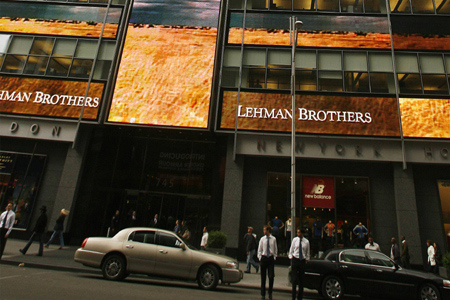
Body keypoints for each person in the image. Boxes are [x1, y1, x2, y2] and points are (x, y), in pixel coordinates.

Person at [289, 229, 310, 300]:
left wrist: (307, 259)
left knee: (301, 280)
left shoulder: (306, 242)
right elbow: (291, 250)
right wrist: (291, 257)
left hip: (302, 261)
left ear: (302, 233)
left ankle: (299, 297)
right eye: (297, 232)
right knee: (294, 280)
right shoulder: (295, 240)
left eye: (299, 232)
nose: (298, 234)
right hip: (295, 259)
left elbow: (307, 252)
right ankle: (293, 297)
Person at [258, 225, 277, 300]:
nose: (264, 231)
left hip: (270, 259)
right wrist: (260, 257)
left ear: (268, 230)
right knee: (263, 277)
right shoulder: (262, 239)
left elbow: (275, 248)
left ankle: (270, 292)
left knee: (271, 276)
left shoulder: (273, 239)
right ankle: (263, 294)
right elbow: (260, 248)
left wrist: (274, 256)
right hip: (264, 258)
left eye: (265, 230)